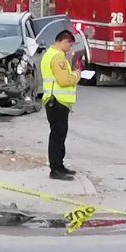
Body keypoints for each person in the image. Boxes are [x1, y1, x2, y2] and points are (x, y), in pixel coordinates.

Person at [41, 30, 80, 181]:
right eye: (69, 45)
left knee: (58, 135)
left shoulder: (49, 54)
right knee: (57, 136)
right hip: (57, 101)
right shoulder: (58, 57)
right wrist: (77, 75)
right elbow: (64, 81)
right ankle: (55, 169)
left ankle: (59, 165)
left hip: (53, 101)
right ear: (64, 41)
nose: (70, 49)